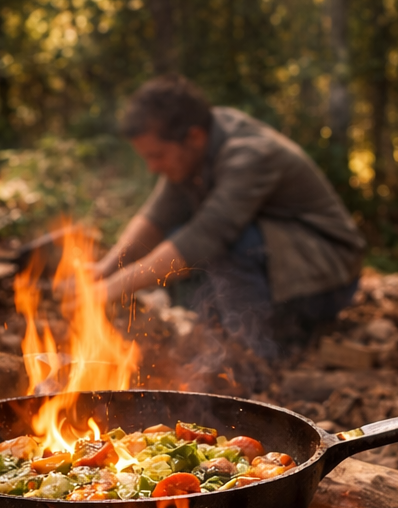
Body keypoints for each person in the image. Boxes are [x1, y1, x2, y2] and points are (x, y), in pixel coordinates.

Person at [94, 75, 366, 359]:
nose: (152, 168)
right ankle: (217, 335)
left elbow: (205, 237)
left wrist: (110, 289)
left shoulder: (250, 154)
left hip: (331, 277)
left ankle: (255, 352)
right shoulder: (198, 144)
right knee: (175, 237)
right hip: (283, 265)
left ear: (194, 137)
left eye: (157, 156)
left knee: (224, 245)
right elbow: (156, 217)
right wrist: (103, 270)